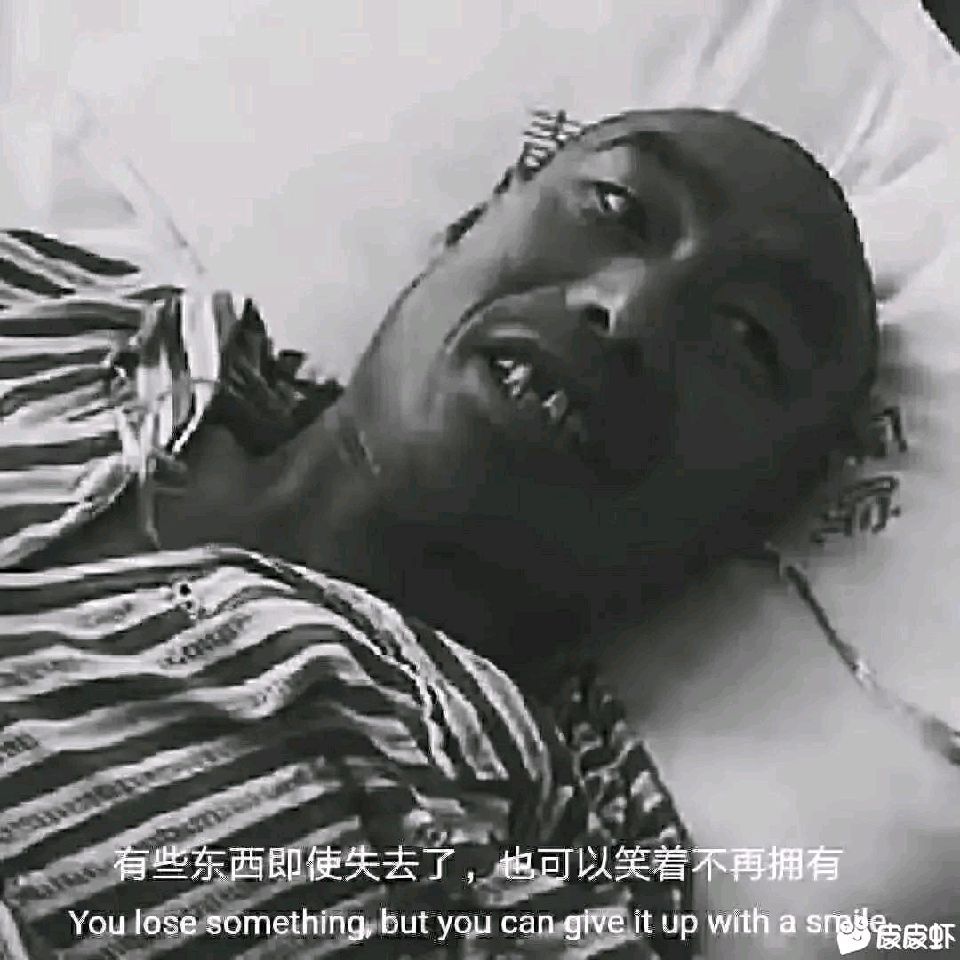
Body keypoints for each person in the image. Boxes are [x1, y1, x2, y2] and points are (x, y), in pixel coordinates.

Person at [0, 108, 876, 959]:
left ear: (746, 520)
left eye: (748, 337)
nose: (627, 309)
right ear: (472, 220)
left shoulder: (515, 866)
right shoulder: (59, 320)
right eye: (618, 208)